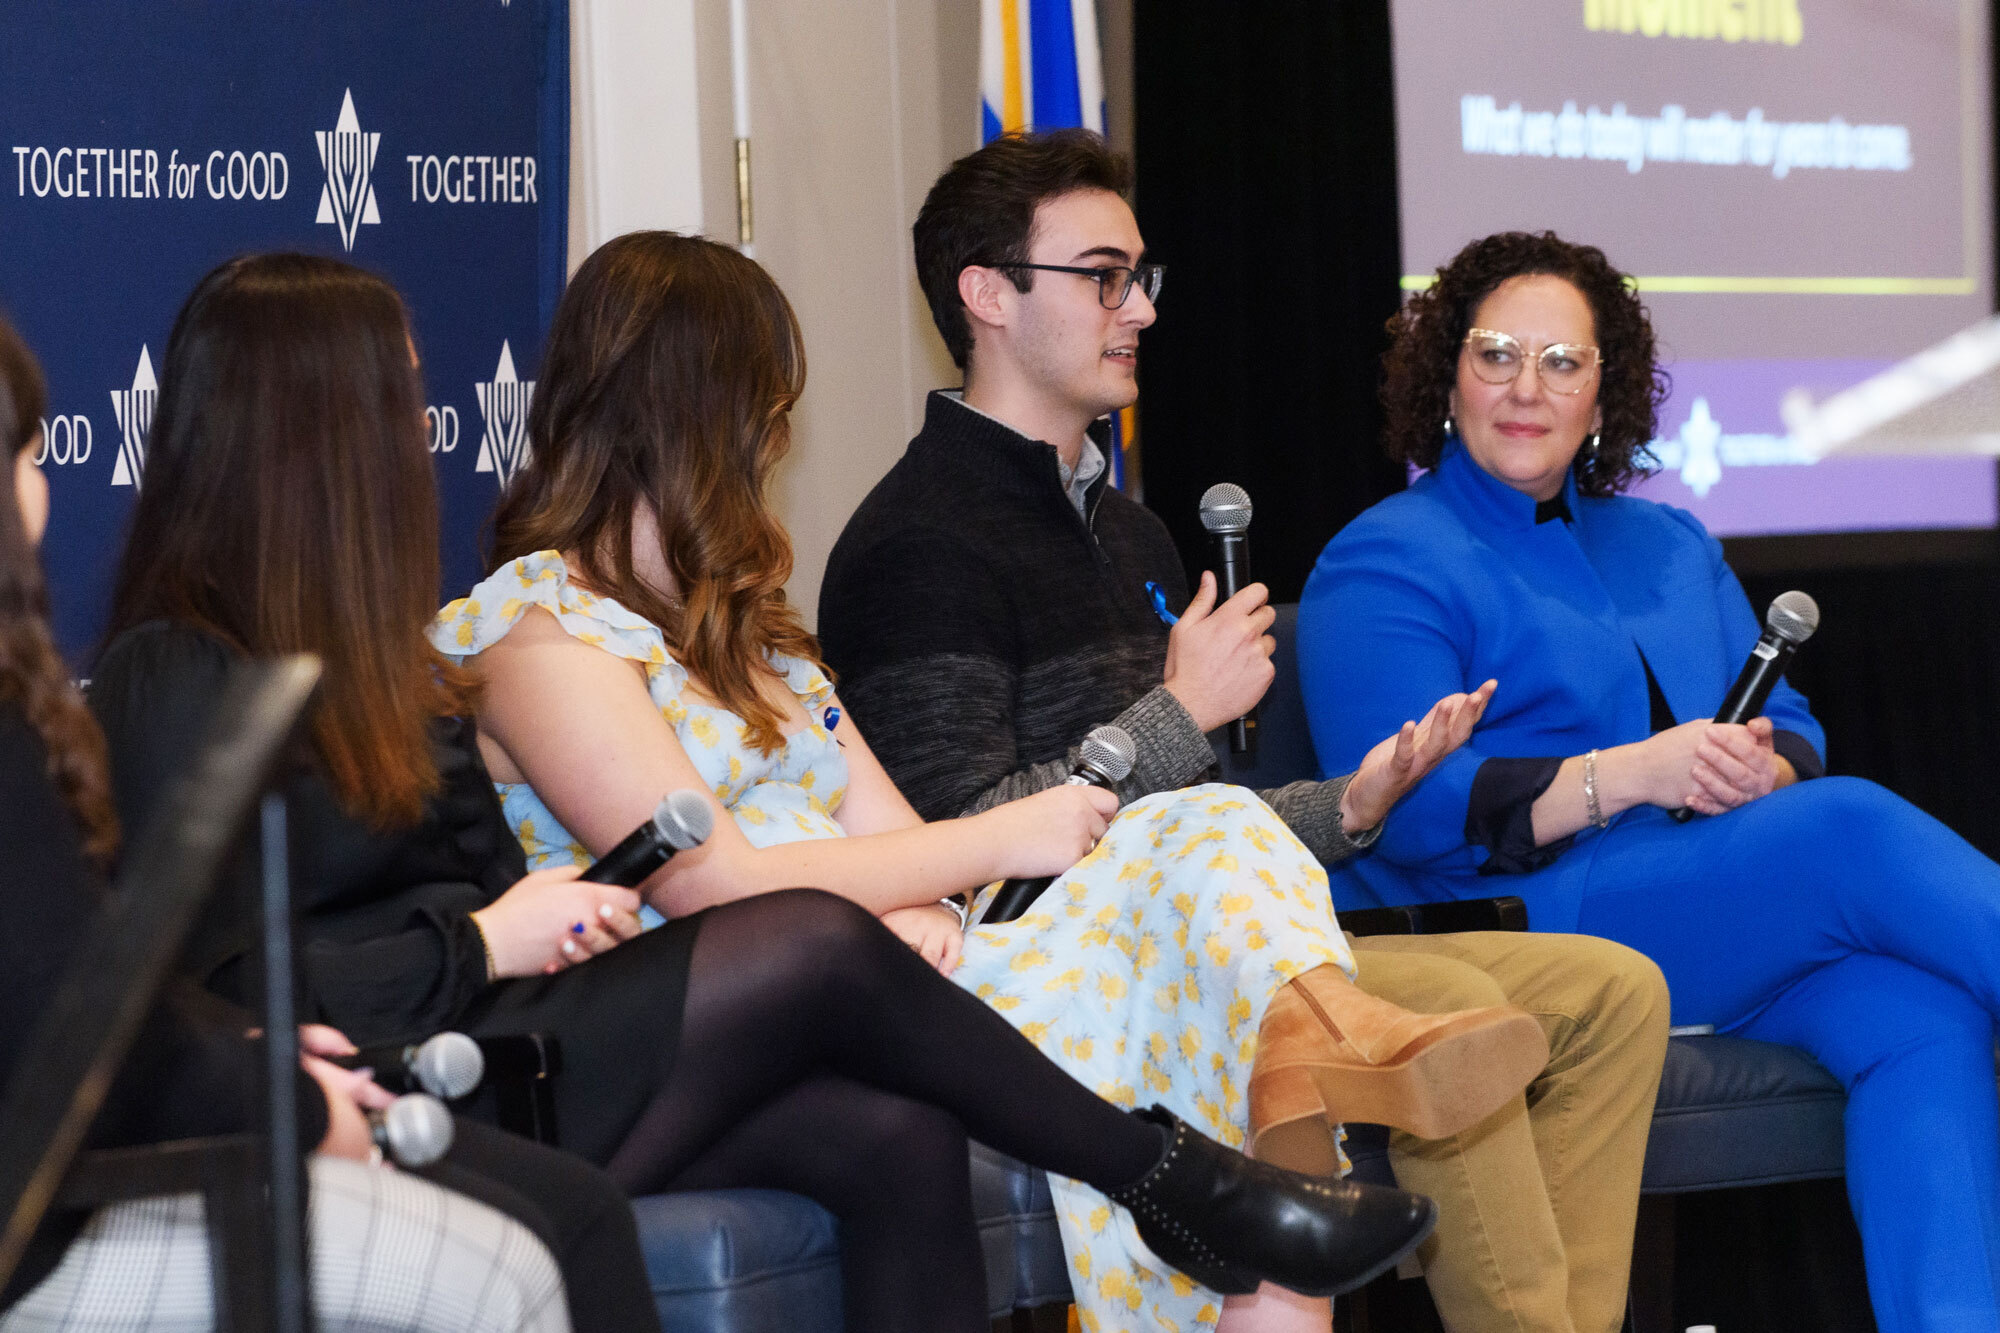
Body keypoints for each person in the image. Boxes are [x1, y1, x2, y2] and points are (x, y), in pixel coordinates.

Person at [86, 252, 1437, 1333]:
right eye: (400, 395)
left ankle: (1204, 1169)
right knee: (815, 939)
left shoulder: (386, 664)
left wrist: (534, 910)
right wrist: (483, 937)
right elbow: (199, 987)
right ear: (318, 435)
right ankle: (1172, 1180)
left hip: (519, 1029)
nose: (420, 430)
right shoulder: (177, 672)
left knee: (895, 1134)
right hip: (424, 1074)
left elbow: (470, 879)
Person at [433, 223, 1551, 1333]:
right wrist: (996, 844)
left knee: (1199, 840)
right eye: (765, 408)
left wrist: (914, 901)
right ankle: (1218, 1175)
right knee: (1104, 959)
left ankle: (1292, 1105)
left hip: (879, 982)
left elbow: (895, 835)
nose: (775, 440)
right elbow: (705, 882)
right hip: (679, 1019)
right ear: (696, 413)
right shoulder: (537, 627)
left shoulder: (758, 642)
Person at [816, 131, 1671, 1333]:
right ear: (986, 295)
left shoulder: (1131, 534)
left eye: (1140, 278)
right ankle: (1345, 1045)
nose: (1139, 312)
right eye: (1102, 277)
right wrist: (1177, 715)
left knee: (1609, 993)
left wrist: (1353, 804)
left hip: (1199, 933)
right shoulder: (916, 544)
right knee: (1462, 1027)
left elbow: (1196, 833)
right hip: (1065, 979)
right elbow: (962, 846)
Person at [1298, 228, 2000, 1333]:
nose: (1526, 389)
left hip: (1723, 921)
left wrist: (1758, 766)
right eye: (1494, 355)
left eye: (1562, 363)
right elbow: (1403, 813)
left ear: (1601, 396)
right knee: (1849, 831)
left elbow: (1798, 729)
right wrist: (1631, 774)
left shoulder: (1668, 542)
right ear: (1445, 379)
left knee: (1923, 1012)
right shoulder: (1381, 556)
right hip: (1531, 923)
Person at [0, 313, 617, 1333]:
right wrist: (284, 1100)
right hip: (45, 1234)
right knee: (520, 1257)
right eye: (27, 455)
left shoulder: (385, 663)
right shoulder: (154, 681)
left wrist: (259, 1058)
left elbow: (93, 993)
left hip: (150, 1136)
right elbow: (80, 1039)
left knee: (585, 1207)